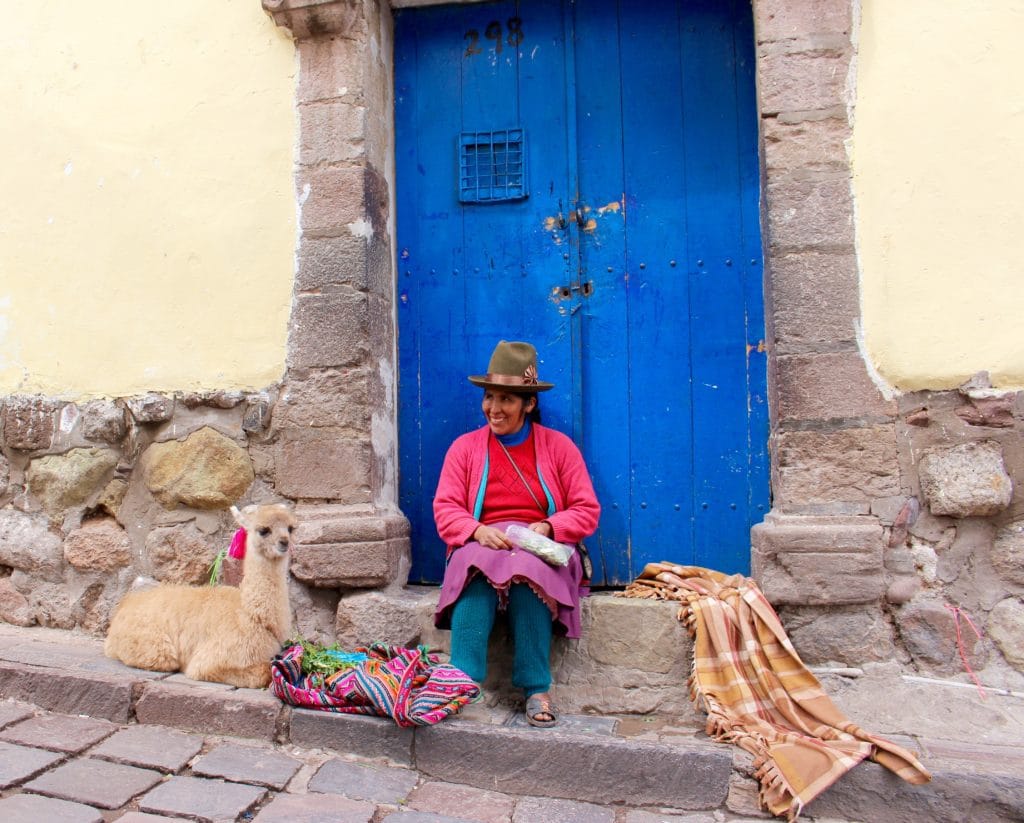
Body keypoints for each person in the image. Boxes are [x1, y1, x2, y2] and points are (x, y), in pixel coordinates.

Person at [433, 340, 600, 727]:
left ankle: (536, 685)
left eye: (507, 399)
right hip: (484, 542)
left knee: (528, 571)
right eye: (490, 397)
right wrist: (475, 530)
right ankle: (461, 679)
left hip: (538, 545)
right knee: (476, 564)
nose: (494, 408)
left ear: (528, 404)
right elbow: (446, 509)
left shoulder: (559, 448)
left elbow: (586, 510)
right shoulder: (464, 449)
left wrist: (548, 526)